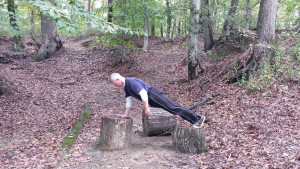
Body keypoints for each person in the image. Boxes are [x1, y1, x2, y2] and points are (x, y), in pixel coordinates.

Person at [110, 73, 206, 128]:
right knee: (172, 109)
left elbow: (143, 93)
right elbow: (128, 102)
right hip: (151, 99)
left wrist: (146, 108)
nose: (115, 86)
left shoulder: (131, 82)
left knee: (173, 107)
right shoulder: (126, 87)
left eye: (115, 84)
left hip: (153, 94)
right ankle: (195, 120)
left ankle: (198, 119)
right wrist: (125, 115)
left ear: (118, 79)